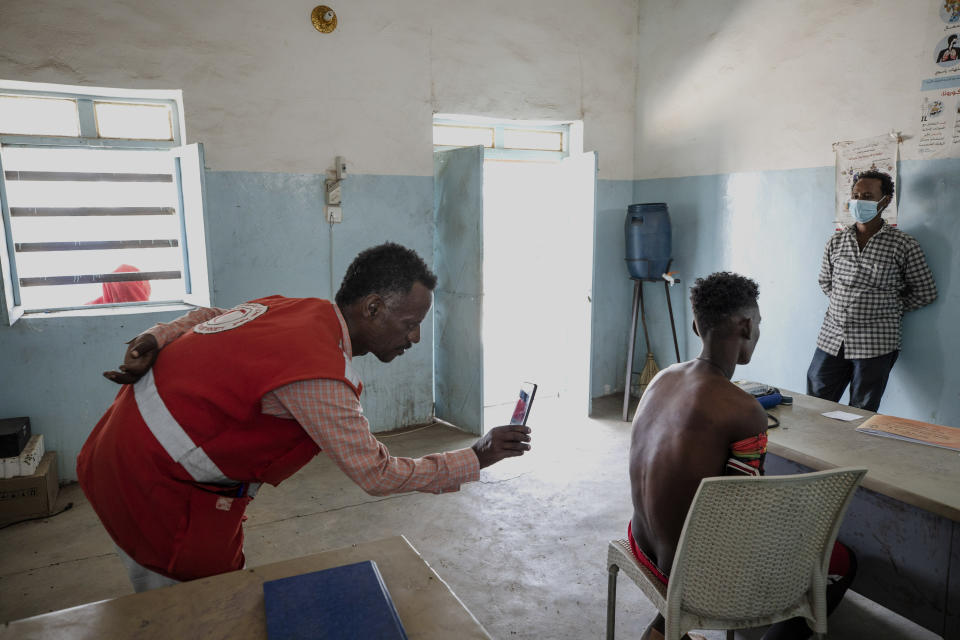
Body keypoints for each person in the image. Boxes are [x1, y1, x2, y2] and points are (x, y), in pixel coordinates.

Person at [77, 242, 532, 592]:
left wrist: (158, 333)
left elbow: (211, 317)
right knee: (195, 610)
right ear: (372, 308)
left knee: (220, 590)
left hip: (118, 445)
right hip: (148, 484)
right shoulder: (318, 375)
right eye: (410, 322)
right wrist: (477, 455)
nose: (414, 336)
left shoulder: (296, 309)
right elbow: (378, 473)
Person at [629, 272, 856, 640]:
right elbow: (740, 516)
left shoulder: (661, 378)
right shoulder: (743, 409)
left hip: (643, 544)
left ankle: (662, 631)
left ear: (695, 325)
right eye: (760, 323)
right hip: (685, 574)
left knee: (688, 519)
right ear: (747, 325)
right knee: (842, 559)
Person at [806, 170, 937, 412]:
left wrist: (887, 307)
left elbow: (925, 292)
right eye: (855, 195)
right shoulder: (836, 242)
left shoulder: (903, 244)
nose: (858, 202)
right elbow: (826, 282)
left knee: (861, 410)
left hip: (875, 342)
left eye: (867, 196)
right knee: (815, 401)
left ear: (884, 201)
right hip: (832, 336)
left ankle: (847, 451)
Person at [85, 264, 151, 305]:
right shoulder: (89, 310)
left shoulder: (154, 312)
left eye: (129, 292)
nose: (125, 300)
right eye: (117, 293)